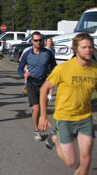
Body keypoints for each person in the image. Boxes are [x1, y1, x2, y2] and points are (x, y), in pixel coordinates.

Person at [39, 32, 96, 175]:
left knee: (86, 160)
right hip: (64, 118)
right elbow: (44, 88)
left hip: (85, 118)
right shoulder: (63, 68)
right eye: (84, 47)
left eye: (90, 47)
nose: (88, 50)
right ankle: (55, 139)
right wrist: (43, 116)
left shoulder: (95, 70)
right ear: (76, 49)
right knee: (70, 162)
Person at [18, 31, 56, 141]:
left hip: (43, 84)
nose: (38, 42)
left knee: (42, 109)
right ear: (31, 41)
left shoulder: (47, 53)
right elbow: (20, 68)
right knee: (36, 108)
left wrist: (51, 75)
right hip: (31, 84)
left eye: (40, 40)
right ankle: (36, 130)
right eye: (36, 40)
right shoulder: (27, 54)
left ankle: (42, 123)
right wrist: (23, 74)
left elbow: (54, 66)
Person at [45, 37, 55, 102]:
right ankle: (45, 93)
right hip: (46, 66)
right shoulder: (44, 50)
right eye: (48, 41)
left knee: (52, 81)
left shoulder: (53, 50)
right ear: (46, 42)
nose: (50, 42)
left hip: (52, 66)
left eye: (51, 41)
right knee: (46, 81)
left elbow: (53, 58)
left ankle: (50, 95)